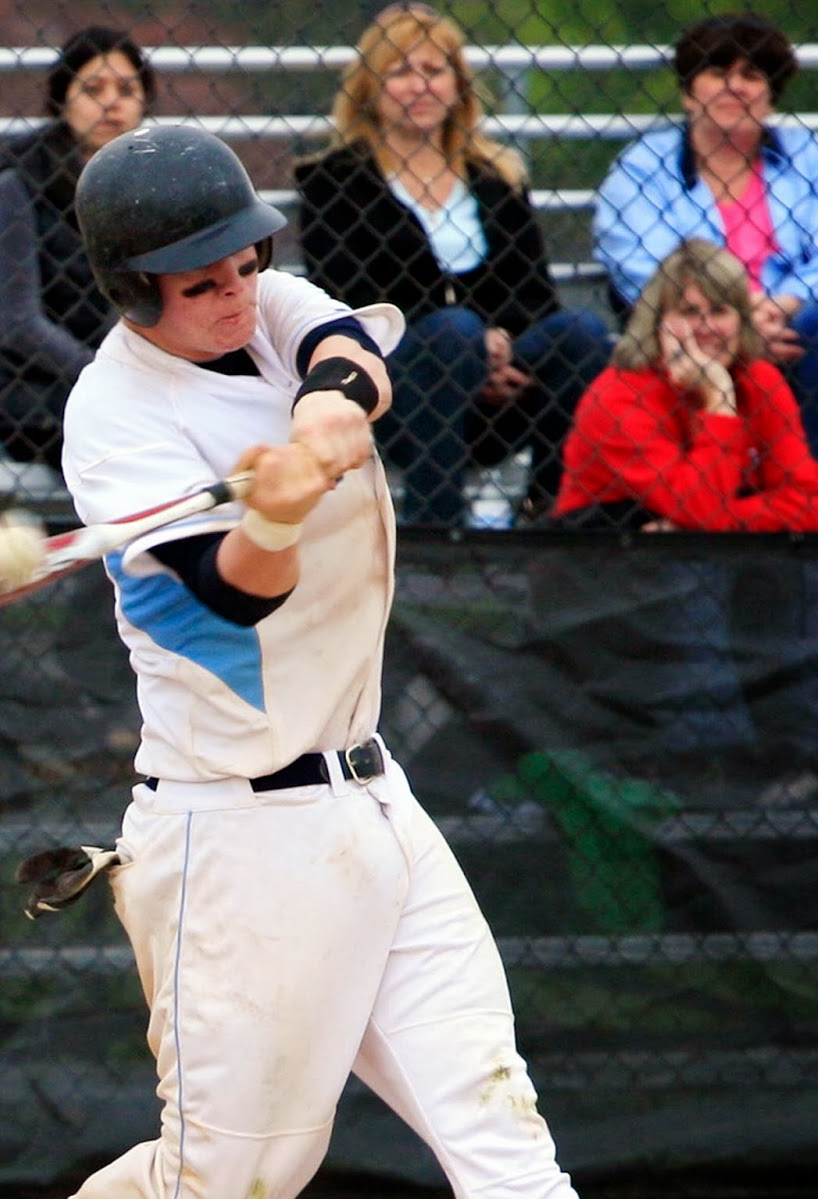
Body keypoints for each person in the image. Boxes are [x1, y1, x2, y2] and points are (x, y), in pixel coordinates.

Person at [0, 123, 752, 1199]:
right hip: (233, 835)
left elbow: (352, 346)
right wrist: (273, 518)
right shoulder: (116, 422)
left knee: (494, 1117)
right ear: (131, 289)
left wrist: (317, 423)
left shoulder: (269, 304)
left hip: (373, 797)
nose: (234, 289)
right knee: (222, 1194)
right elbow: (228, 599)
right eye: (198, 279)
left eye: (242, 261)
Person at [295, 3, 610, 529]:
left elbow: (535, 294)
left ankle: (552, 515)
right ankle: (438, 530)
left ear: (458, 84)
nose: (420, 85)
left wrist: (500, 344)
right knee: (453, 331)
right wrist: (469, 344)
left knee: (581, 334)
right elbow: (346, 297)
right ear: (371, 87)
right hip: (397, 385)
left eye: (434, 69)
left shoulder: (496, 175)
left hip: (501, 383)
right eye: (401, 71)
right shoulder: (335, 181)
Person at [549, 239, 818, 795]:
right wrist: (718, 403)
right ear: (658, 320)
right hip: (602, 579)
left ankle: (796, 762)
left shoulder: (760, 379)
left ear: (741, 318)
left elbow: (807, 499)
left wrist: (720, 520)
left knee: (792, 571)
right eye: (688, 312)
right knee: (691, 567)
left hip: (703, 549)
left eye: (719, 310)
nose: (706, 327)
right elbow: (698, 509)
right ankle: (711, 770)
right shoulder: (620, 394)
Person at [594, 12, 818, 455]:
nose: (735, 87)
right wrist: (736, 319)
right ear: (689, 92)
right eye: (718, 72)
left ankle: (806, 478)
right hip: (689, 325)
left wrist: (787, 301)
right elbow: (643, 268)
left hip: (791, 326)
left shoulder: (808, 158)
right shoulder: (641, 167)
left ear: (771, 94)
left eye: (752, 75)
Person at [0, 26, 156, 468]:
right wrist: (106, 373)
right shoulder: (22, 182)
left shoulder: (158, 179)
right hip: (34, 403)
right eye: (93, 89)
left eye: (126, 89)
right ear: (62, 99)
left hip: (136, 388)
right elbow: (19, 321)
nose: (111, 102)